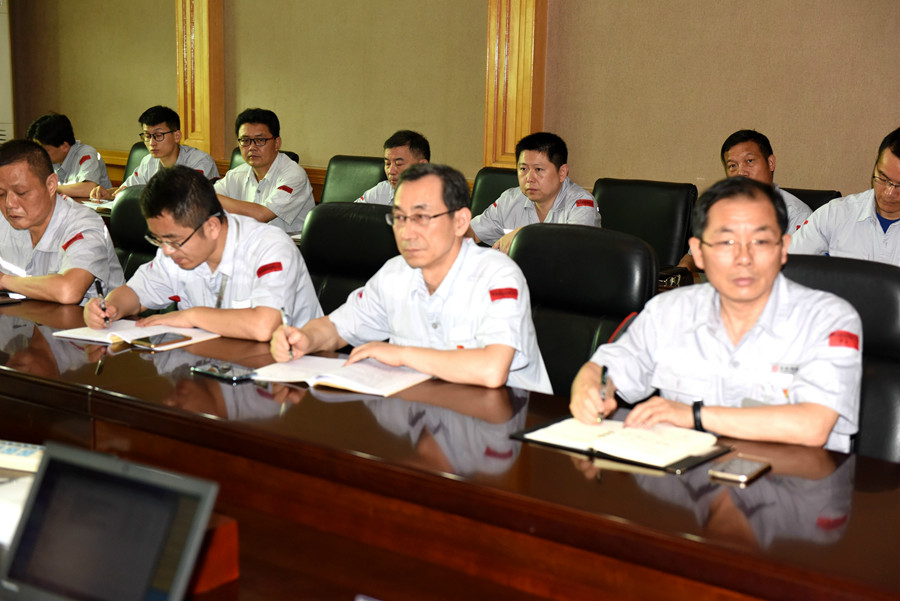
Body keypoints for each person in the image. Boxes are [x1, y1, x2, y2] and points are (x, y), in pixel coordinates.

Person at [570, 176, 862, 452]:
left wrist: (694, 416)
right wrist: (589, 387)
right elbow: (605, 368)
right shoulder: (668, 311)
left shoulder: (830, 319)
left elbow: (813, 425)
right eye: (725, 242)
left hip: (792, 481)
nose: (744, 258)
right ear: (698, 252)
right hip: (685, 476)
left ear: (784, 248)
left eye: (760, 241)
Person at [271, 163, 551, 393]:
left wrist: (402, 354)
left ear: (460, 222)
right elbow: (337, 327)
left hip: (505, 420)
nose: (406, 232)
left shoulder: (497, 275)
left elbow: (492, 369)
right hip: (423, 405)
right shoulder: (395, 273)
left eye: (421, 217)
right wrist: (305, 338)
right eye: (399, 218)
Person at [84, 166, 322, 342]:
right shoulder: (176, 247)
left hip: (288, 374)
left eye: (174, 241)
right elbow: (136, 293)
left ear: (212, 227)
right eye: (159, 239)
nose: (166, 250)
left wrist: (191, 316)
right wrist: (110, 307)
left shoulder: (269, 247)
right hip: (214, 362)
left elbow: (264, 326)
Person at [0, 139, 124, 305]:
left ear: (51, 185)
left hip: (90, 320)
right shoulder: (5, 218)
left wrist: (3, 280)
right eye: (0, 194)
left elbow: (69, 290)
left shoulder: (84, 223)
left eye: (21, 192)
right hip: (29, 316)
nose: (9, 203)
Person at [678, 129, 811, 276]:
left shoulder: (797, 216)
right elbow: (692, 257)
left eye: (749, 161)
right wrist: (683, 270)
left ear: (770, 163)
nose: (741, 172)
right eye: (732, 166)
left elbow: (794, 274)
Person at [468, 132, 600, 254]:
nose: (529, 178)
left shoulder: (581, 203)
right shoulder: (510, 200)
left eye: (539, 169)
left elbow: (573, 245)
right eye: (523, 169)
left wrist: (523, 235)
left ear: (562, 172)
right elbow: (473, 232)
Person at [789, 127, 900, 265]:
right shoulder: (834, 214)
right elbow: (786, 265)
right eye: (883, 178)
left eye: (899, 185)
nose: (889, 192)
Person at [214, 108, 314, 234]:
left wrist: (211, 198)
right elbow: (202, 201)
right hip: (249, 242)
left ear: (277, 143)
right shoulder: (236, 174)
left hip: (289, 244)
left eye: (260, 140)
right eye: (245, 140)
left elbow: (261, 215)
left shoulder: (294, 175)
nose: (252, 147)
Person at [89, 105, 218, 200]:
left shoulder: (200, 161)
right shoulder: (148, 161)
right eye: (147, 136)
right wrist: (109, 193)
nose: (151, 143)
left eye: (158, 135)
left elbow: (186, 197)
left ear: (177, 136)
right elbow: (127, 190)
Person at [26, 112, 112, 198]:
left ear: (64, 147)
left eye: (44, 150)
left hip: (99, 205)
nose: (39, 154)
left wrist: (50, 188)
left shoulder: (87, 154)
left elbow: (89, 188)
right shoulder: (53, 159)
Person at [355, 130, 430, 205]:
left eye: (398, 164)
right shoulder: (382, 191)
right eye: (388, 163)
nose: (390, 171)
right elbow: (352, 210)